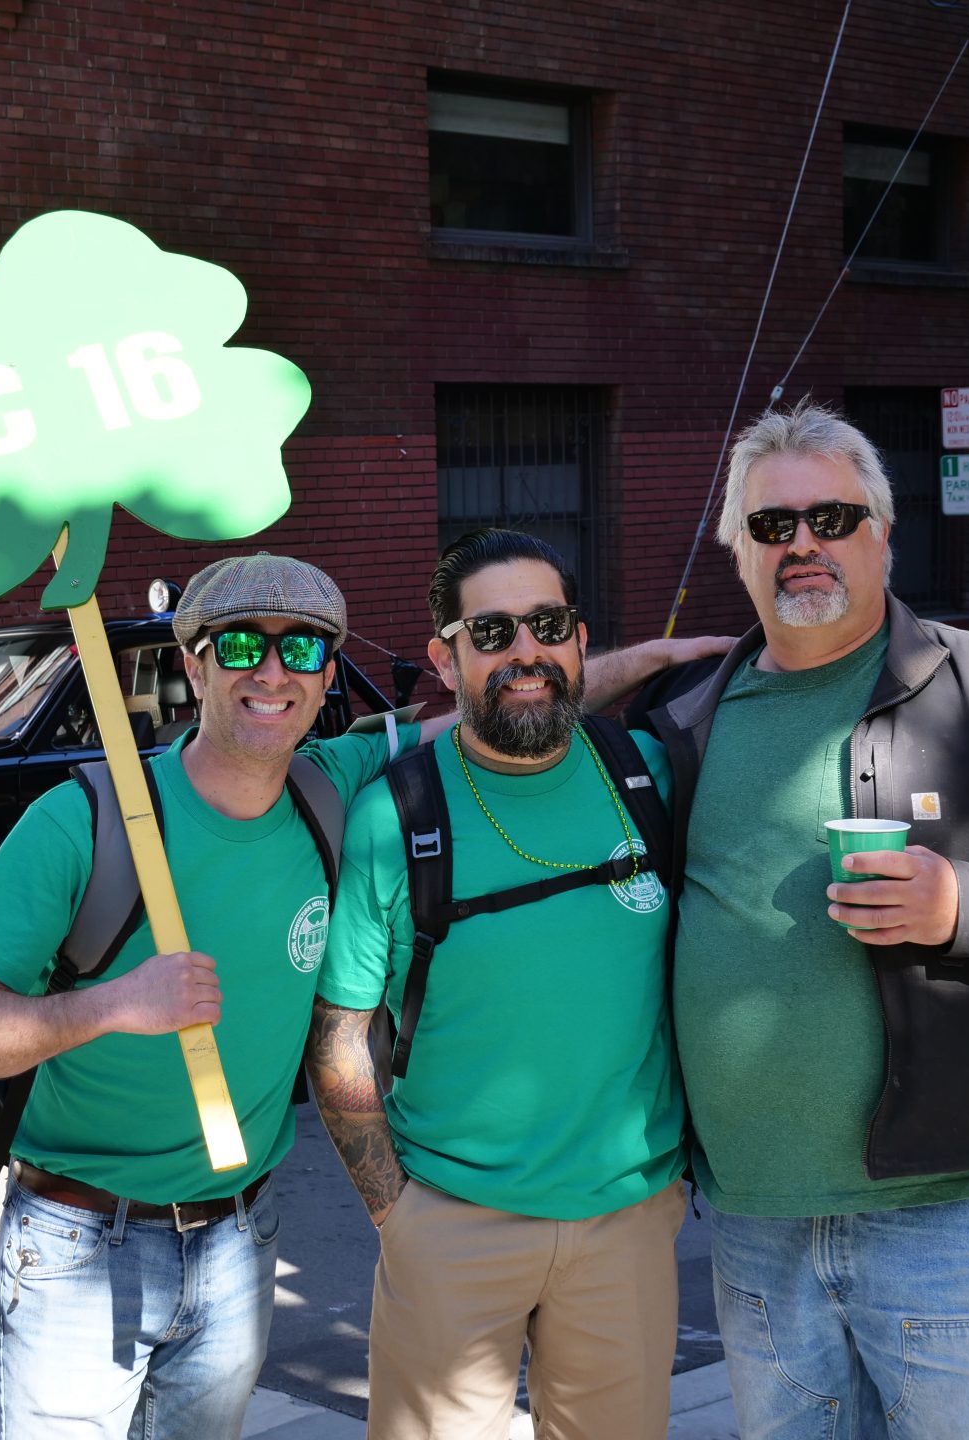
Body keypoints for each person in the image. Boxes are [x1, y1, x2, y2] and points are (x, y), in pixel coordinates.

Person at [0, 550, 709, 1440]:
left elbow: (506, 693)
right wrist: (109, 1005)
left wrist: (649, 660)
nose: (271, 671)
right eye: (240, 646)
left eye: (301, 650)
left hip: (236, 1236)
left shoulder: (326, 784)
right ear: (193, 662)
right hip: (78, 1239)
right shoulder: (87, 818)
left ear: (327, 673)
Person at [643, 400, 969, 1440]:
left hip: (951, 1213)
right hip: (755, 1219)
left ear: (882, 532)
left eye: (830, 518)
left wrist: (962, 901)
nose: (802, 545)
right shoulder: (684, 722)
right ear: (739, 553)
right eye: (771, 526)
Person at [308, 529, 701, 1440]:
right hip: (450, 1222)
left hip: (628, 1222)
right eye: (491, 633)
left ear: (579, 640)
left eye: (547, 624)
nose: (524, 651)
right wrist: (395, 1214)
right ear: (447, 660)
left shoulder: (647, 776)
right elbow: (340, 1033)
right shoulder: (395, 815)